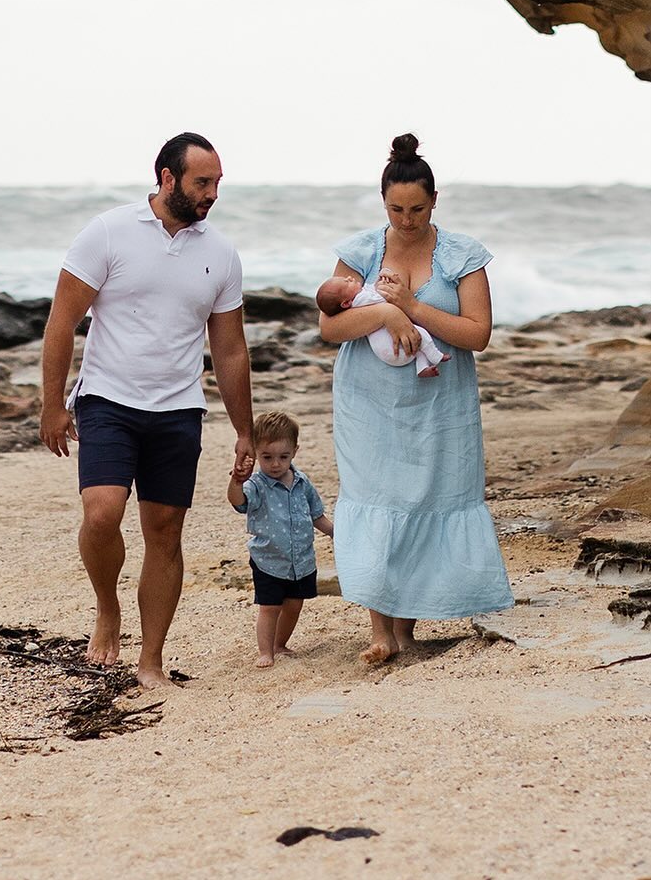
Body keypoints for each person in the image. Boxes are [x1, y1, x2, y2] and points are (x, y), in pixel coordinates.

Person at [40, 132, 254, 690]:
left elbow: (230, 350)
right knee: (102, 515)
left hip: (178, 410)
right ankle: (107, 607)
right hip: (107, 400)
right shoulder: (108, 232)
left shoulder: (221, 253)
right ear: (167, 178)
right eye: (202, 182)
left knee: (164, 532)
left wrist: (245, 430)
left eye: (217, 183)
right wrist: (51, 405)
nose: (212, 194)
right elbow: (61, 321)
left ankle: (151, 661)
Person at [318, 133, 513, 664]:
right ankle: (380, 630)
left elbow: (477, 334)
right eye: (396, 209)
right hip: (369, 404)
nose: (407, 220)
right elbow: (330, 327)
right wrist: (384, 313)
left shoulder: (462, 255)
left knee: (429, 498)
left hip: (440, 405)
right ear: (383, 203)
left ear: (435, 200)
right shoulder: (360, 251)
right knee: (377, 499)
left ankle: (407, 627)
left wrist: (412, 307)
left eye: (417, 209)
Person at [227, 411, 333, 668]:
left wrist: (334, 532)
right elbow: (238, 502)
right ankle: (266, 651)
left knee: (294, 605)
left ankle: (280, 643)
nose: (275, 464)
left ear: (295, 451)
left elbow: (316, 515)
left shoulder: (302, 482)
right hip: (268, 560)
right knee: (270, 607)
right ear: (256, 453)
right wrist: (237, 481)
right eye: (267, 457)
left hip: (301, 561)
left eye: (283, 457)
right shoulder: (256, 484)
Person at [315, 271, 451, 377]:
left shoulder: (357, 302)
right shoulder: (359, 300)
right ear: (346, 303)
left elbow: (372, 293)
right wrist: (393, 296)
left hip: (388, 352)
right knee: (419, 335)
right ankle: (435, 355)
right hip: (391, 347)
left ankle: (422, 368)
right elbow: (382, 297)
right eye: (347, 282)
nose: (350, 278)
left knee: (417, 349)